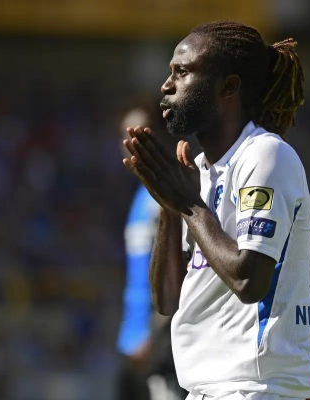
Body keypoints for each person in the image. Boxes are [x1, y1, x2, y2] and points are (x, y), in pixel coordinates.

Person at [121, 21, 310, 400]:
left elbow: (249, 281)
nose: (167, 85)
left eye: (182, 72)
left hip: (259, 388)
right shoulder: (198, 172)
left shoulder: (265, 155)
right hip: (207, 389)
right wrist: (169, 206)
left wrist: (188, 204)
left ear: (228, 86)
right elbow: (167, 301)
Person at [116, 107, 187, 400]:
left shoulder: (164, 199)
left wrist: (154, 335)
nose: (131, 143)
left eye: (140, 135)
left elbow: (180, 274)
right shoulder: (140, 198)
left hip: (158, 346)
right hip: (133, 340)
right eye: (126, 135)